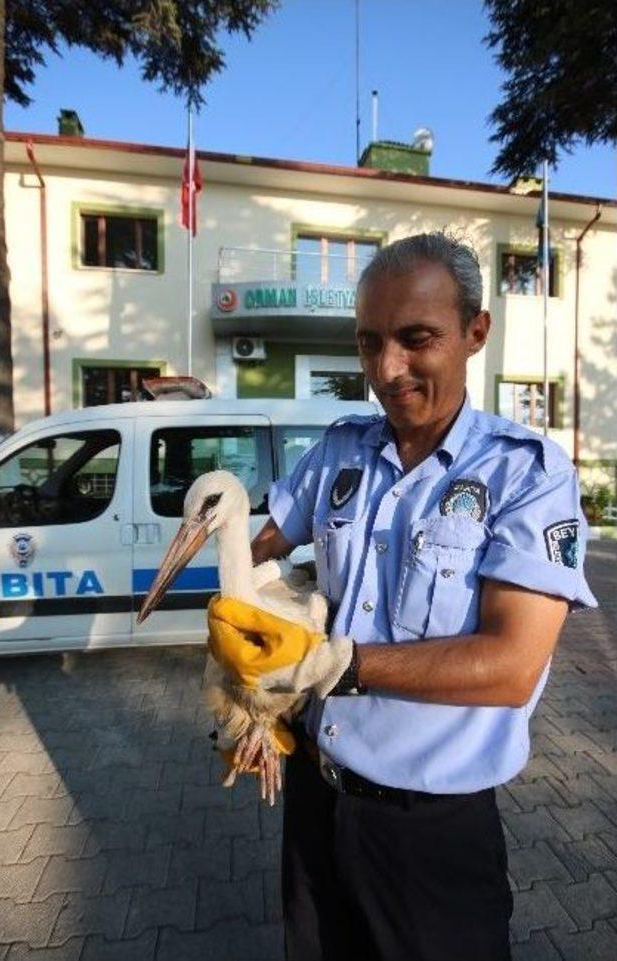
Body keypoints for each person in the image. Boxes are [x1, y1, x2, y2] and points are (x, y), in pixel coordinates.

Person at [208, 233, 596, 961]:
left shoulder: (526, 475)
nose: (387, 370)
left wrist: (333, 663)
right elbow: (257, 550)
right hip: (315, 807)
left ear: (476, 332)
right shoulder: (336, 453)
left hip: (433, 840)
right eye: (369, 342)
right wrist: (244, 648)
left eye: (417, 339)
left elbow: (512, 666)